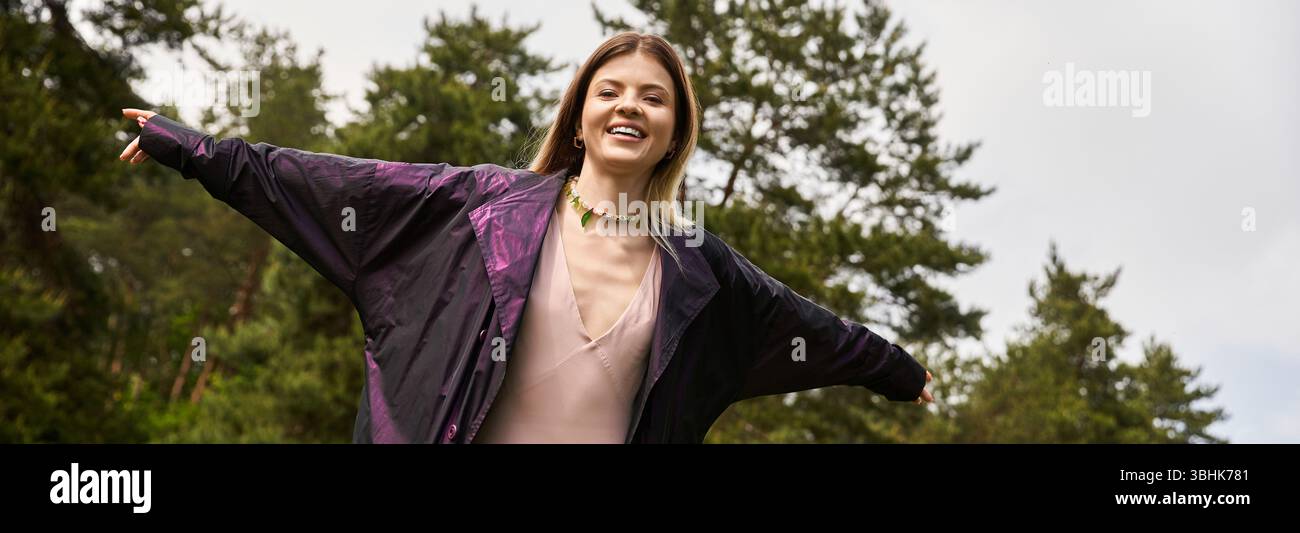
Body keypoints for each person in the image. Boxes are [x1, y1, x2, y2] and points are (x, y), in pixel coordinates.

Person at [117, 31, 933, 444]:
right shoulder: (483, 210)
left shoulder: (700, 269)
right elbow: (330, 183)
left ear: (675, 127)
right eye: (610, 90)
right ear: (580, 115)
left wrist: (900, 371)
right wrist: (198, 150)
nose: (630, 106)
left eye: (653, 97)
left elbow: (812, 327)